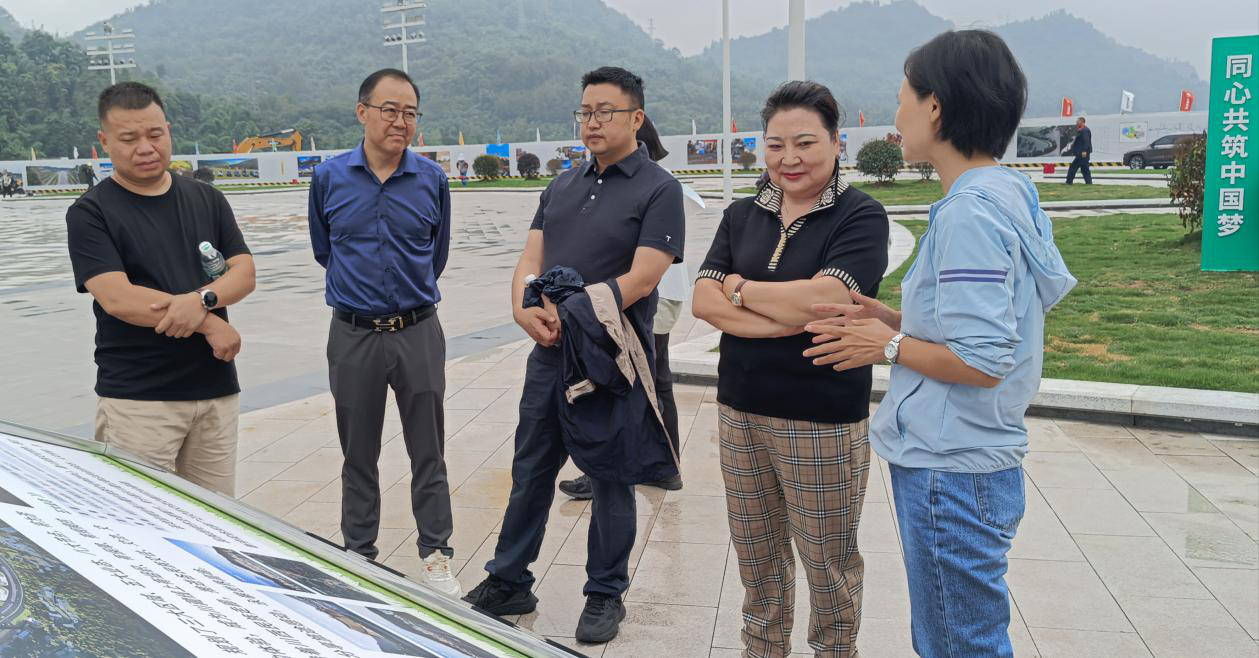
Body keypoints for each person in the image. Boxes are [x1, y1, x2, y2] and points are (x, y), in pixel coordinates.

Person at [804, 30, 1076, 657]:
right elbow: (983, 322)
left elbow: (983, 360)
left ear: (935, 106)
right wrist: (891, 317)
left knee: (957, 643)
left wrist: (887, 346)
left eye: (903, 98)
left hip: (950, 468)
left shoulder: (967, 214)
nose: (896, 115)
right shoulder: (1007, 192)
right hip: (976, 458)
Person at [463, 66, 684, 644]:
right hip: (551, 355)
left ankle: (605, 592)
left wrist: (576, 310)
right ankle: (509, 579)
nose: (592, 121)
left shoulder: (658, 189)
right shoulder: (561, 185)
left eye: (605, 111)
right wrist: (523, 306)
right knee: (532, 467)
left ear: (636, 117)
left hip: (611, 358)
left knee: (611, 476)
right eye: (585, 111)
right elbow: (530, 259)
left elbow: (644, 277)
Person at [691, 80, 889, 658]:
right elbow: (702, 302)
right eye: (776, 145)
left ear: (836, 142)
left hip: (820, 417)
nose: (789, 158)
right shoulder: (741, 214)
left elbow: (824, 301)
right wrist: (781, 318)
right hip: (740, 410)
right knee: (757, 556)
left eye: (805, 143)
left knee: (828, 561)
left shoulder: (860, 216)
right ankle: (762, 650)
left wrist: (741, 290)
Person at [307, 68, 460, 597]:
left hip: (417, 330)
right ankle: (359, 555)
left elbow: (436, 255)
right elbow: (324, 249)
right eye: (390, 110)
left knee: (428, 449)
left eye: (410, 113)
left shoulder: (432, 179)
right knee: (358, 451)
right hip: (353, 333)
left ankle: (436, 554)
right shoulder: (329, 178)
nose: (401, 122)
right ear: (362, 112)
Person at [66, 81, 255, 497]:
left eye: (155, 134)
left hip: (216, 389)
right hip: (140, 399)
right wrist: (209, 323)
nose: (145, 148)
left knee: (217, 518)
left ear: (168, 130)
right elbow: (118, 298)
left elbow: (243, 272)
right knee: (139, 519)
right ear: (104, 141)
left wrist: (202, 300)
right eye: (128, 138)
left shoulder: (207, 199)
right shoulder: (90, 213)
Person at [557, 114, 687, 500]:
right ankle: (663, 465)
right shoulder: (641, 186)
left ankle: (644, 464)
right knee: (656, 378)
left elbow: (644, 269)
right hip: (658, 295)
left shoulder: (658, 187)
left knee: (645, 379)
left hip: (651, 298)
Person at [1066, 116, 1092, 185]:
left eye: (1077, 121)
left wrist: (1084, 151)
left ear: (1082, 122)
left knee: (1073, 167)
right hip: (1081, 153)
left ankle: (1069, 181)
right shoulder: (1081, 130)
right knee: (1084, 168)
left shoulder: (1085, 130)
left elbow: (1086, 142)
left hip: (1082, 153)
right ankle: (1089, 182)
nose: (1076, 123)